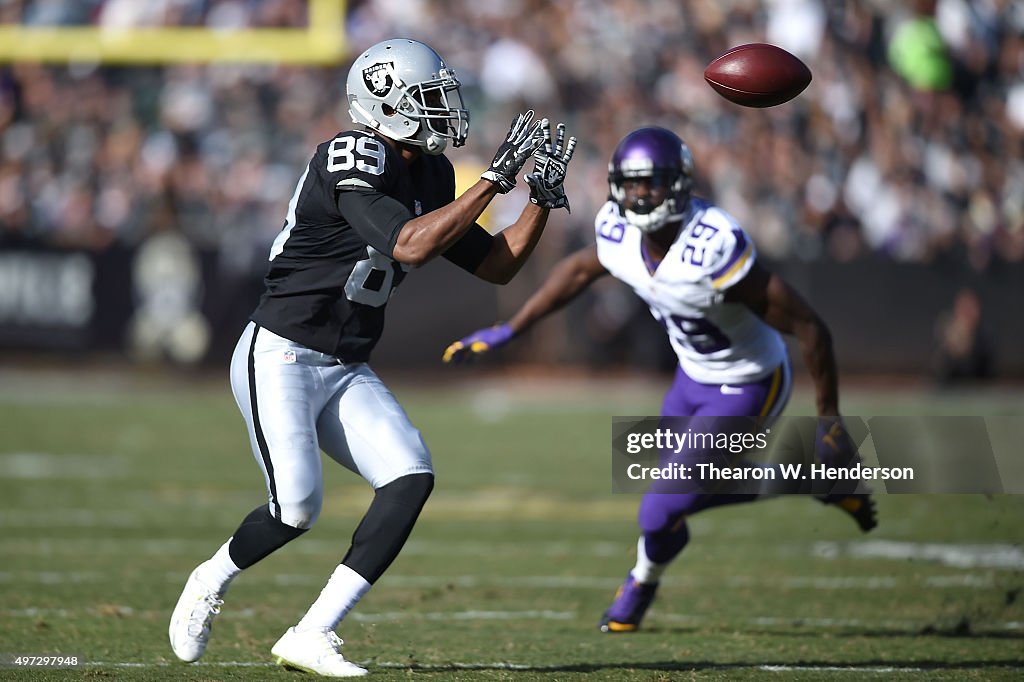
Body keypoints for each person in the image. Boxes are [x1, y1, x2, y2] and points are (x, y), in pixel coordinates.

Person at [168, 38, 576, 677]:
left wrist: (540, 202)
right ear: (386, 104)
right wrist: (495, 179)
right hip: (281, 351)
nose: (444, 111)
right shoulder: (348, 153)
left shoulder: (434, 173)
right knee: (296, 509)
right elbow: (408, 246)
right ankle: (210, 579)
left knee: (410, 476)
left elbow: (496, 265)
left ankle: (312, 632)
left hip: (345, 361)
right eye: (429, 99)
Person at [443, 126, 875, 634]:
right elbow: (581, 270)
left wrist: (830, 423)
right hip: (692, 376)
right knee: (669, 499)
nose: (639, 195)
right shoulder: (618, 230)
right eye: (629, 184)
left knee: (661, 504)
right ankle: (811, 487)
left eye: (651, 183)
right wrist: (511, 328)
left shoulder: (712, 244)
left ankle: (640, 583)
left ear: (679, 185)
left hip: (749, 379)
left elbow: (809, 328)